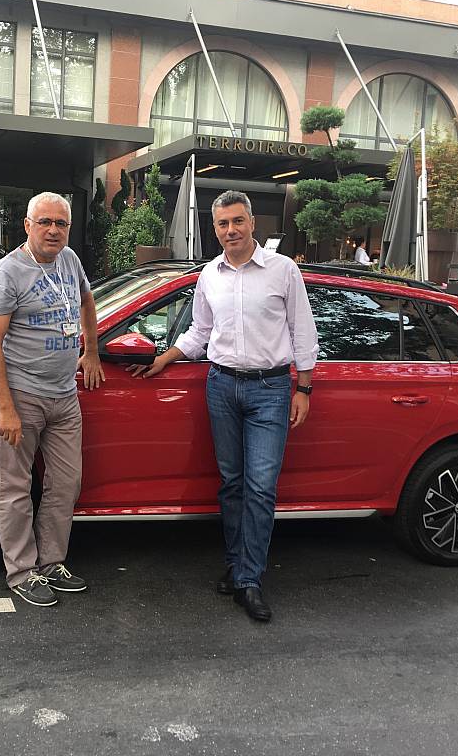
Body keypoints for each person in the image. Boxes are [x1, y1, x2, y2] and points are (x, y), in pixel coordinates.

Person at [132, 190, 318, 622]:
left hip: (270, 389)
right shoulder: (209, 275)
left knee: (261, 486)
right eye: (222, 224)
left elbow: (302, 330)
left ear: (252, 223)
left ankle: (250, 579)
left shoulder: (283, 270)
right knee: (232, 483)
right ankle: (237, 566)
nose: (231, 230)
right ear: (214, 228)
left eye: (237, 221)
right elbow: (200, 331)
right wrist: (166, 358)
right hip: (221, 386)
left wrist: (304, 388)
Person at [0, 191, 105, 608]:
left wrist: (91, 351)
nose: (53, 230)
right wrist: (7, 408)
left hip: (65, 395)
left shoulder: (69, 260)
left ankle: (51, 562)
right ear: (28, 225)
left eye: (61, 223)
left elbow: (87, 301)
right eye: (45, 222)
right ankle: (21, 572)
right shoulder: (6, 274)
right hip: (22, 394)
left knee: (67, 483)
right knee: (15, 485)